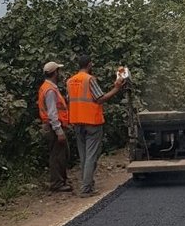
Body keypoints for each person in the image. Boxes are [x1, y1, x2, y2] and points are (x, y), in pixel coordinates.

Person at [67, 55, 124, 197]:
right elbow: (100, 98)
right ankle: (86, 188)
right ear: (89, 65)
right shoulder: (89, 80)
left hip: (77, 121)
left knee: (84, 155)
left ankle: (88, 184)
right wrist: (116, 88)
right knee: (91, 156)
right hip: (91, 122)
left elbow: (71, 100)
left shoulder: (70, 81)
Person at [38, 61, 72, 192]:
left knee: (61, 154)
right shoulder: (50, 90)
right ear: (55, 73)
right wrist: (59, 131)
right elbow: (52, 113)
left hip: (53, 126)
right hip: (54, 127)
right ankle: (57, 183)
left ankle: (61, 180)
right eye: (58, 70)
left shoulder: (47, 87)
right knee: (57, 155)